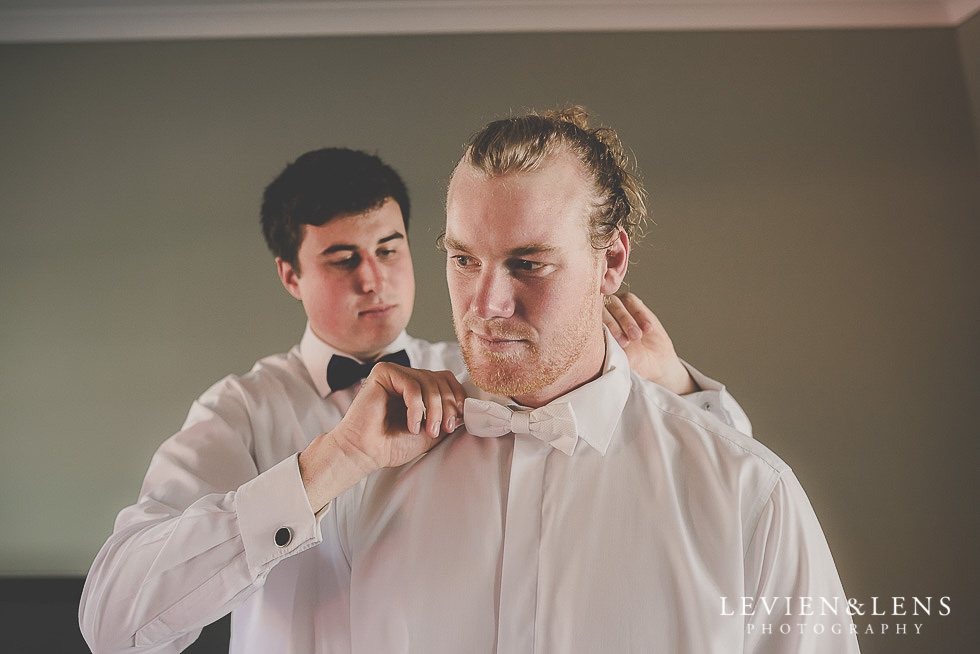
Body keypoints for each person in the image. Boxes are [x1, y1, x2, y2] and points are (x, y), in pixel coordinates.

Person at [79, 146, 751, 653]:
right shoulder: (240, 412)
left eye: (390, 248)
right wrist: (331, 464)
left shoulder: (488, 378)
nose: (375, 279)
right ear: (291, 276)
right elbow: (114, 622)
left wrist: (677, 389)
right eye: (342, 260)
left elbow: (731, 494)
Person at [288, 110, 861, 652]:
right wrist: (338, 460)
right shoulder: (365, 480)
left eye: (528, 263)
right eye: (463, 260)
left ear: (611, 262)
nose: (486, 305)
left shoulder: (750, 495)